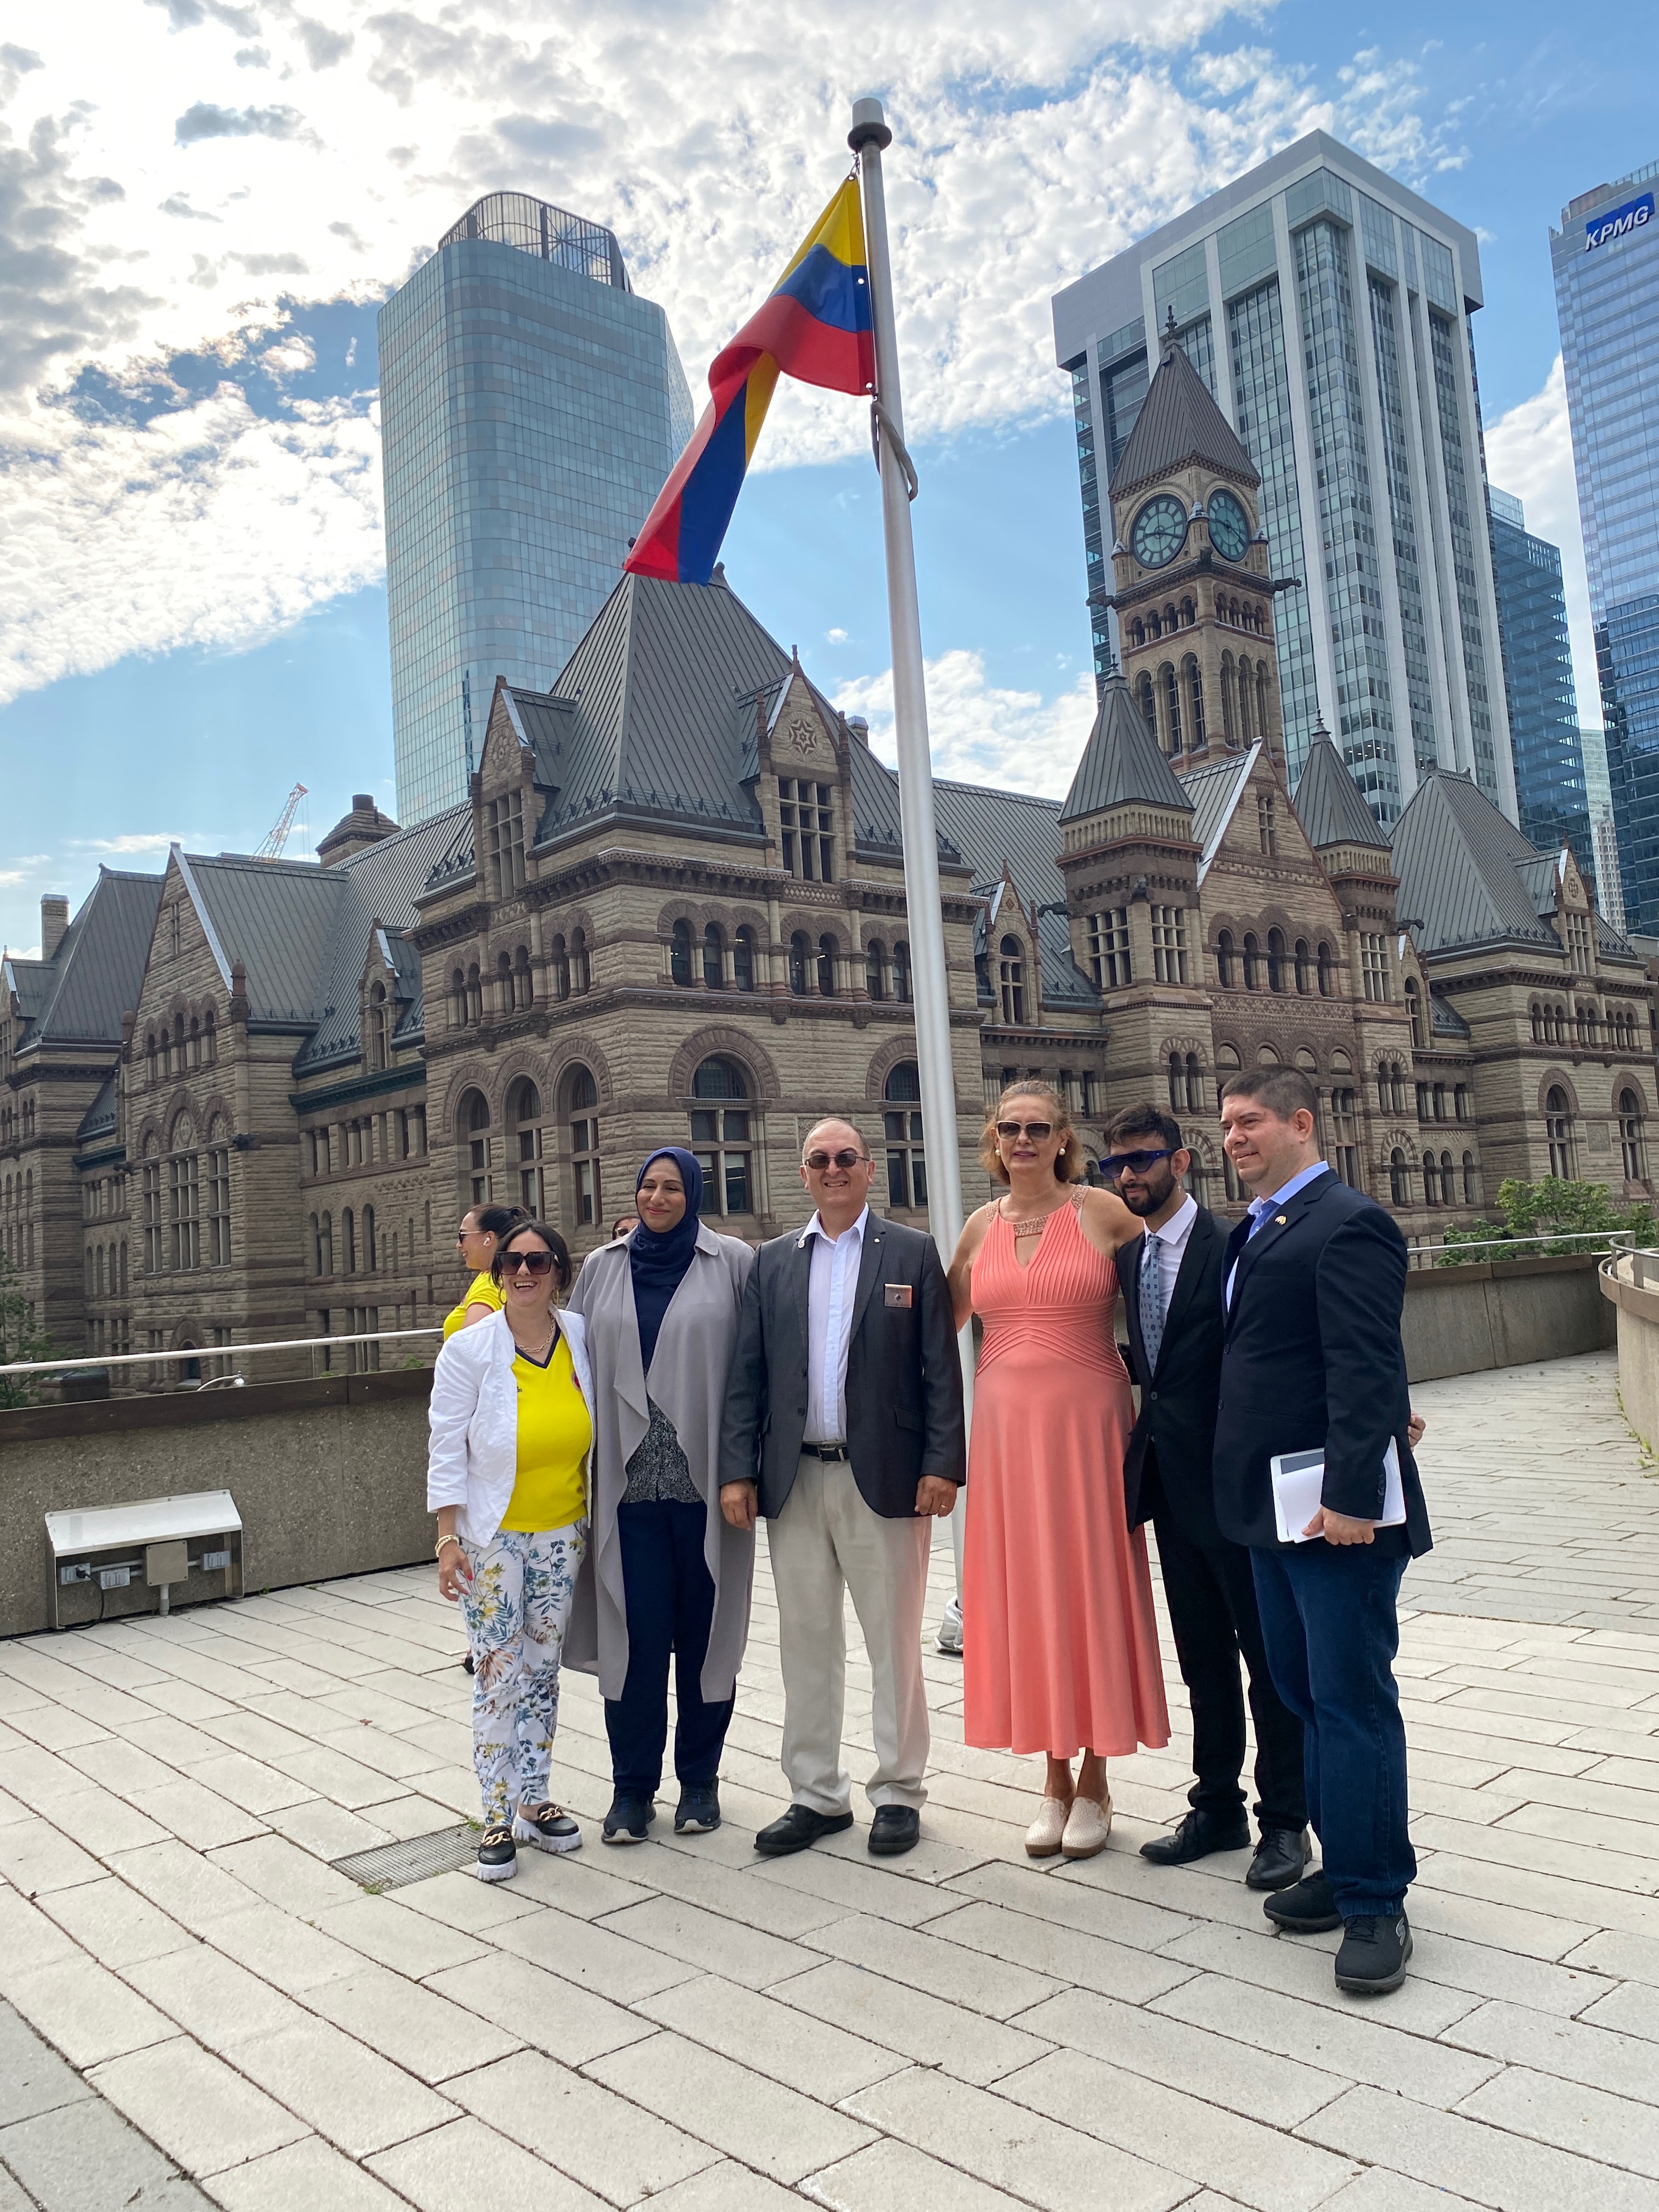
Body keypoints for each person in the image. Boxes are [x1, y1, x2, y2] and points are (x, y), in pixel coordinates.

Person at [1215, 1066, 1432, 1996]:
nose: (1231, 1137)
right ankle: (1343, 1868)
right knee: (1304, 1692)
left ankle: (1376, 1899)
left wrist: (1350, 1491)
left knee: (1349, 1698)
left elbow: (1362, 1360)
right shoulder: (1255, 1229)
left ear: (1300, 1124)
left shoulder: (1348, 1221)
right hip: (1270, 1510)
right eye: (1224, 1124)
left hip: (1330, 1513)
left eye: (1249, 1121)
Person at [719, 1118, 963, 1858]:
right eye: (820, 1160)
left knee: (893, 1641)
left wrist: (943, 1464)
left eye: (846, 1158)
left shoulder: (913, 1253)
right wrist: (737, 1469)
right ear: (803, 1173)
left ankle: (897, 1790)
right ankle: (816, 1794)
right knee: (806, 1640)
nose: (833, 1169)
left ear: (869, 1169)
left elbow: (941, 1374)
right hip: (793, 1480)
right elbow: (747, 1375)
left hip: (884, 1478)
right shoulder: (773, 1262)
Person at [948, 1083, 1168, 1861]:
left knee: (1091, 1585)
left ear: (1064, 1138)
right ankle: (1051, 1774)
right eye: (1010, 1128)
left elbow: (1173, 1298)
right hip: (1007, 1438)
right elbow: (932, 1336)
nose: (1023, 1140)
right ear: (993, 1138)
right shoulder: (979, 1228)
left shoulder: (1105, 1213)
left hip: (1091, 1431)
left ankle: (1098, 1775)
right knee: (1031, 1592)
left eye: (1038, 1128)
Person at [1104, 1103, 1310, 1893]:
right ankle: (1216, 1804)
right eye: (1116, 1165)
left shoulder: (1236, 1246)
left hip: (1239, 1488)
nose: (1129, 1176)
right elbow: (1157, 1362)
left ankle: (1285, 1822)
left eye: (1144, 1160)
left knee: (1268, 1661)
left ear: (1180, 1163)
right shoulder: (1131, 1256)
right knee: (1202, 1660)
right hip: (1168, 1483)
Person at [566, 1149, 755, 1842]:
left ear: (694, 1193)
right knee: (634, 1637)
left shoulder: (732, 1262)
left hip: (707, 1488)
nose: (658, 1197)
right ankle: (631, 1789)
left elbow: (750, 1372)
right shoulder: (602, 1267)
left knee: (706, 1640)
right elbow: (577, 1372)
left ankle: (700, 1784)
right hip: (626, 1494)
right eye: (648, 1185)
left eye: (673, 1186)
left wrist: (746, 1469)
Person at [428, 1219, 594, 1883]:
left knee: (544, 1669)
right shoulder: (469, 1351)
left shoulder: (579, 1336)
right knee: (498, 1672)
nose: (524, 1272)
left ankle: (534, 1797)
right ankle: (495, 1813)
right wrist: (446, 1537)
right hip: (492, 1538)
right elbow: (446, 1447)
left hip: (562, 1532)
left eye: (540, 1261)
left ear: (559, 1271)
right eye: (513, 1262)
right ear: (498, 1275)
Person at [443, 1205, 528, 1339]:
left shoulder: (491, 1282)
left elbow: (472, 1341)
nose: (458, 1245)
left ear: (489, 1238)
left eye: (462, 1236)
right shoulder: (508, 1276)